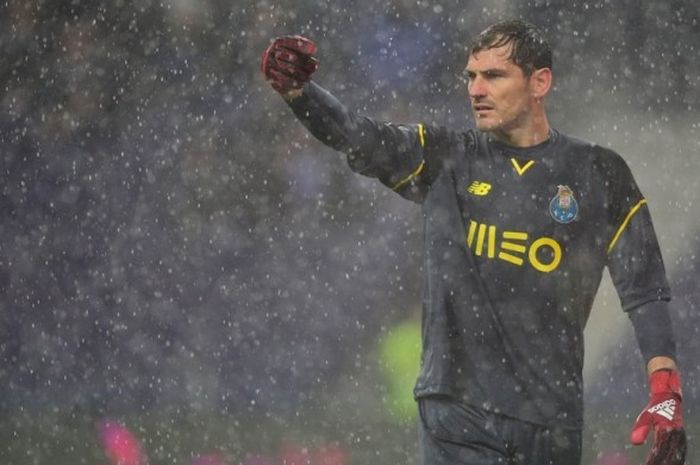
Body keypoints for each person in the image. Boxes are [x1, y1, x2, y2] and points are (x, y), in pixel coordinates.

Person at [260, 20, 685, 465]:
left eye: (494, 76)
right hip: (457, 411)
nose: (476, 89)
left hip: (551, 418)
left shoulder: (599, 172)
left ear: (539, 82)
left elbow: (645, 289)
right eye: (471, 76)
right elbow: (361, 137)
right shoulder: (447, 157)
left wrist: (664, 389)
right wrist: (300, 95)